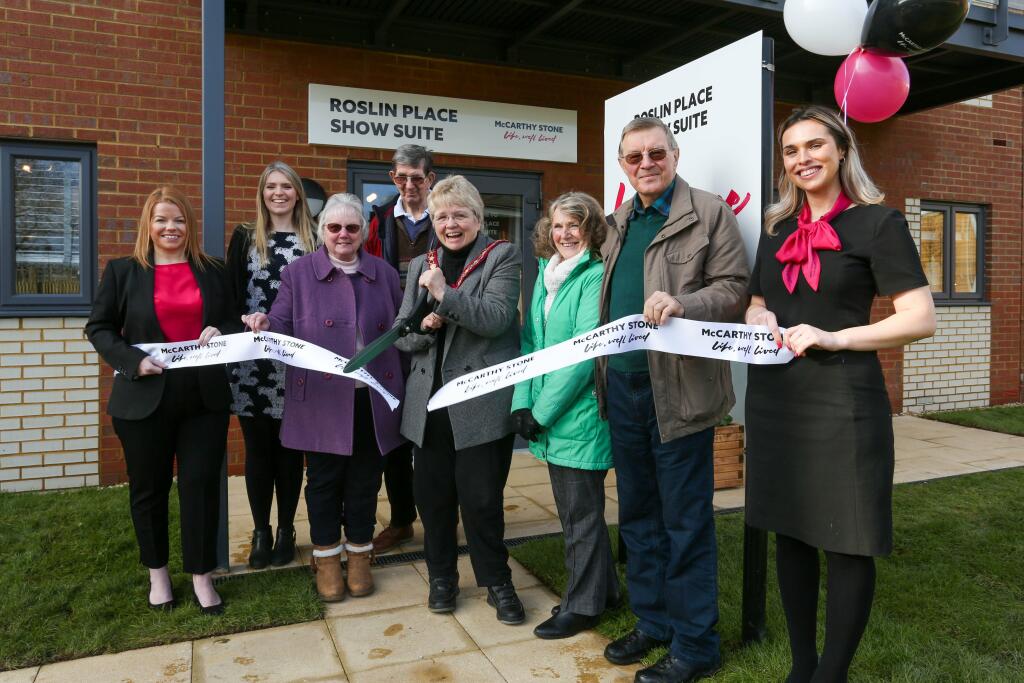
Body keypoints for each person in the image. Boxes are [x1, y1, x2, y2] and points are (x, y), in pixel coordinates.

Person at [744, 106, 936, 683]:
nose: (802, 158)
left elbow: (920, 318)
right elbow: (757, 300)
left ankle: (832, 674)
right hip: (776, 397)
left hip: (844, 400)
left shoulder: (879, 223)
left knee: (847, 539)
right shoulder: (775, 229)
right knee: (791, 530)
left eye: (814, 145)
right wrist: (758, 317)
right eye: (791, 150)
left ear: (842, 150)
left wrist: (836, 337)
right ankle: (801, 666)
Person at [595, 117, 749, 683]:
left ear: (675, 155)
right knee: (638, 518)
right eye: (634, 157)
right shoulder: (616, 222)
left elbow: (734, 288)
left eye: (656, 153)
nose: (646, 164)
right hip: (623, 389)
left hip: (679, 394)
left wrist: (685, 304)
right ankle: (654, 622)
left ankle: (696, 645)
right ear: (623, 165)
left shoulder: (707, 212)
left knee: (684, 523)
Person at [242, 193, 407, 603]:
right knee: (323, 481)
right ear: (322, 231)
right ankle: (328, 558)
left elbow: (402, 329)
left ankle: (360, 555)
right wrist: (264, 322)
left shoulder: (385, 274)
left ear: (363, 232)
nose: (343, 234)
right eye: (334, 227)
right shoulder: (298, 273)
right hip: (321, 397)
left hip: (371, 397)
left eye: (352, 227)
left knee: (365, 480)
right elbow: (280, 320)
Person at [86, 186, 237, 615]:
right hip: (143, 399)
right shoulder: (123, 271)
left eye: (179, 220)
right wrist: (132, 361)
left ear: (190, 225)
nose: (171, 227)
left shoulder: (213, 270)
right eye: (162, 220)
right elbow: (99, 328)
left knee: (200, 486)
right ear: (148, 225)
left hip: (203, 399)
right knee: (148, 488)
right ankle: (158, 575)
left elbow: (230, 318)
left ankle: (202, 575)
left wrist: (221, 330)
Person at [394, 175, 525, 625]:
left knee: (481, 500)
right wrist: (423, 327)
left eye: (460, 215)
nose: (451, 224)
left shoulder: (501, 255)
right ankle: (442, 578)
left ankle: (497, 582)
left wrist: (443, 295)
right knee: (433, 501)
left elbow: (496, 319)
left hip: (479, 403)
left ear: (477, 217)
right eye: (442, 216)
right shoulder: (421, 263)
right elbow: (401, 335)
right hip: (429, 404)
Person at [510, 191, 619, 640]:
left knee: (580, 517)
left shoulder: (594, 275)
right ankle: (605, 591)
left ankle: (583, 606)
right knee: (578, 512)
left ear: (591, 229)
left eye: (574, 224)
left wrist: (541, 412)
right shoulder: (546, 273)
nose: (565, 233)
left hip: (579, 415)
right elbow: (531, 343)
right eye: (558, 225)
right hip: (549, 411)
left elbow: (583, 353)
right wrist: (521, 402)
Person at [226, 161, 318, 570]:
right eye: (271, 187)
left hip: (297, 359)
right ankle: (261, 531)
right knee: (258, 450)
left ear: (298, 193)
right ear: (262, 193)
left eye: (286, 186)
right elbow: (231, 292)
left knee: (290, 451)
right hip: (253, 360)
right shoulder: (246, 236)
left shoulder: (316, 236)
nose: (278, 193)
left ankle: (286, 530)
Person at [364, 144, 438, 553]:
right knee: (395, 435)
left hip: (437, 336)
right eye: (402, 177)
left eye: (417, 178)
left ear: (430, 179)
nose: (409, 185)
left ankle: (441, 518)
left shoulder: (445, 217)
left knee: (436, 434)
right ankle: (401, 521)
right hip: (391, 339)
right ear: (393, 178)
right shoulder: (375, 221)